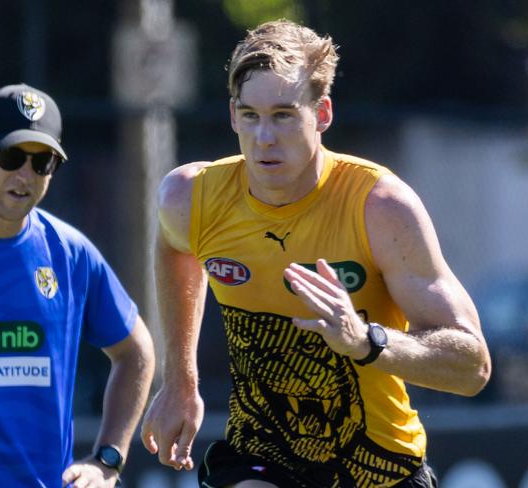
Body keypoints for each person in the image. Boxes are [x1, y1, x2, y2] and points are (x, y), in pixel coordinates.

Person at [141, 19, 492, 488]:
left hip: (379, 467)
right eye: (250, 115)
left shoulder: (379, 207)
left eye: (283, 114)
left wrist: (366, 342)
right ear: (232, 115)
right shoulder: (191, 198)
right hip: (260, 457)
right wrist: (180, 378)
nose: (264, 137)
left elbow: (472, 367)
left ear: (322, 113)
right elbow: (174, 247)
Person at [0, 83, 155, 487]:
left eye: (43, 162)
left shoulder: (70, 252)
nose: (25, 175)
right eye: (12, 156)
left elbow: (135, 351)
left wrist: (108, 458)